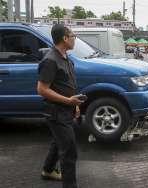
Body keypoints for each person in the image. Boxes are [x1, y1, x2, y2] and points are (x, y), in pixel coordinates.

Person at [37, 24, 83, 188]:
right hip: (56, 113)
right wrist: (68, 101)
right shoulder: (50, 60)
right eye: (73, 36)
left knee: (58, 142)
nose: (74, 39)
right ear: (65, 38)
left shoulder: (65, 58)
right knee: (69, 152)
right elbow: (42, 89)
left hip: (67, 110)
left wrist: (74, 105)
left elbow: (67, 85)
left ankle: (48, 170)